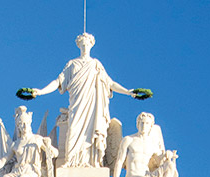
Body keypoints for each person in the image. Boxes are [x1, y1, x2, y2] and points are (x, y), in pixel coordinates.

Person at [28, 33, 137, 168]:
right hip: (77, 104)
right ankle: (70, 161)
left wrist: (127, 92)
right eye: (82, 44)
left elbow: (110, 83)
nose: (85, 47)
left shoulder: (96, 65)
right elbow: (58, 82)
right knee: (73, 129)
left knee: (92, 132)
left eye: (87, 44)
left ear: (92, 45)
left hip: (93, 106)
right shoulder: (72, 64)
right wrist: (40, 91)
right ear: (78, 45)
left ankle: (93, 162)